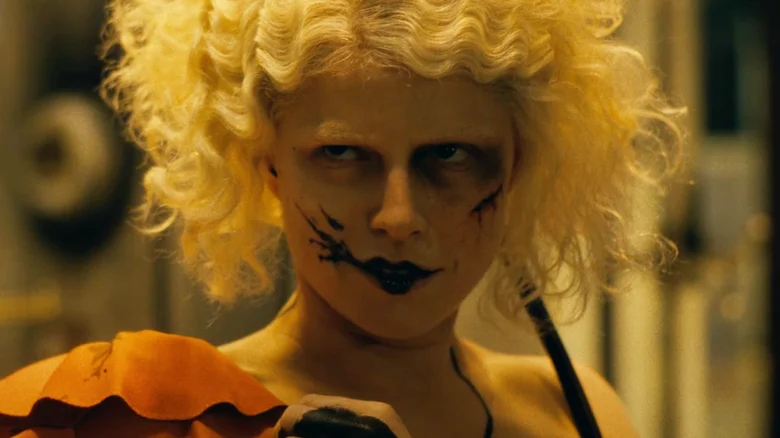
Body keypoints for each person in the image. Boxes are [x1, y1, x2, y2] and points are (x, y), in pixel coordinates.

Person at [0, 0, 683, 437]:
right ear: (265, 162)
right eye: (342, 154)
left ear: (521, 165)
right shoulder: (142, 416)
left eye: (449, 156)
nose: (398, 216)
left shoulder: (575, 409)